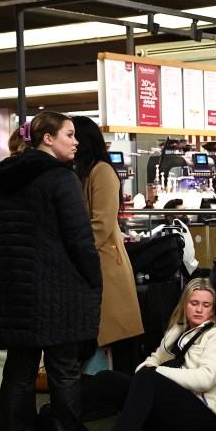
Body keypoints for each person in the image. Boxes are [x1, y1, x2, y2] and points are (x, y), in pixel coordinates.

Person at [0, 111, 102, 431]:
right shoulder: (61, 178)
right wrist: (94, 279)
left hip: (15, 285)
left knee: (19, 369)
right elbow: (80, 239)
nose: (76, 140)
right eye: (68, 134)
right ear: (47, 139)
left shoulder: (8, 176)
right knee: (63, 368)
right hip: (57, 287)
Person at [77, 278, 216, 431]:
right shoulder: (178, 329)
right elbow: (154, 359)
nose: (199, 310)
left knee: (149, 376)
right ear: (184, 303)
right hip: (171, 412)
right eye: (194, 303)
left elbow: (206, 379)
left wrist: (153, 372)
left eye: (206, 305)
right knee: (107, 379)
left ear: (213, 309)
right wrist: (145, 373)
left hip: (201, 416)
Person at [71, 117, 144, 376]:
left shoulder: (100, 171)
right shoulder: (79, 171)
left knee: (107, 335)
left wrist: (72, 250)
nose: (69, 141)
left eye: (72, 135)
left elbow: (100, 224)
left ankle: (103, 390)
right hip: (92, 263)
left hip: (103, 264)